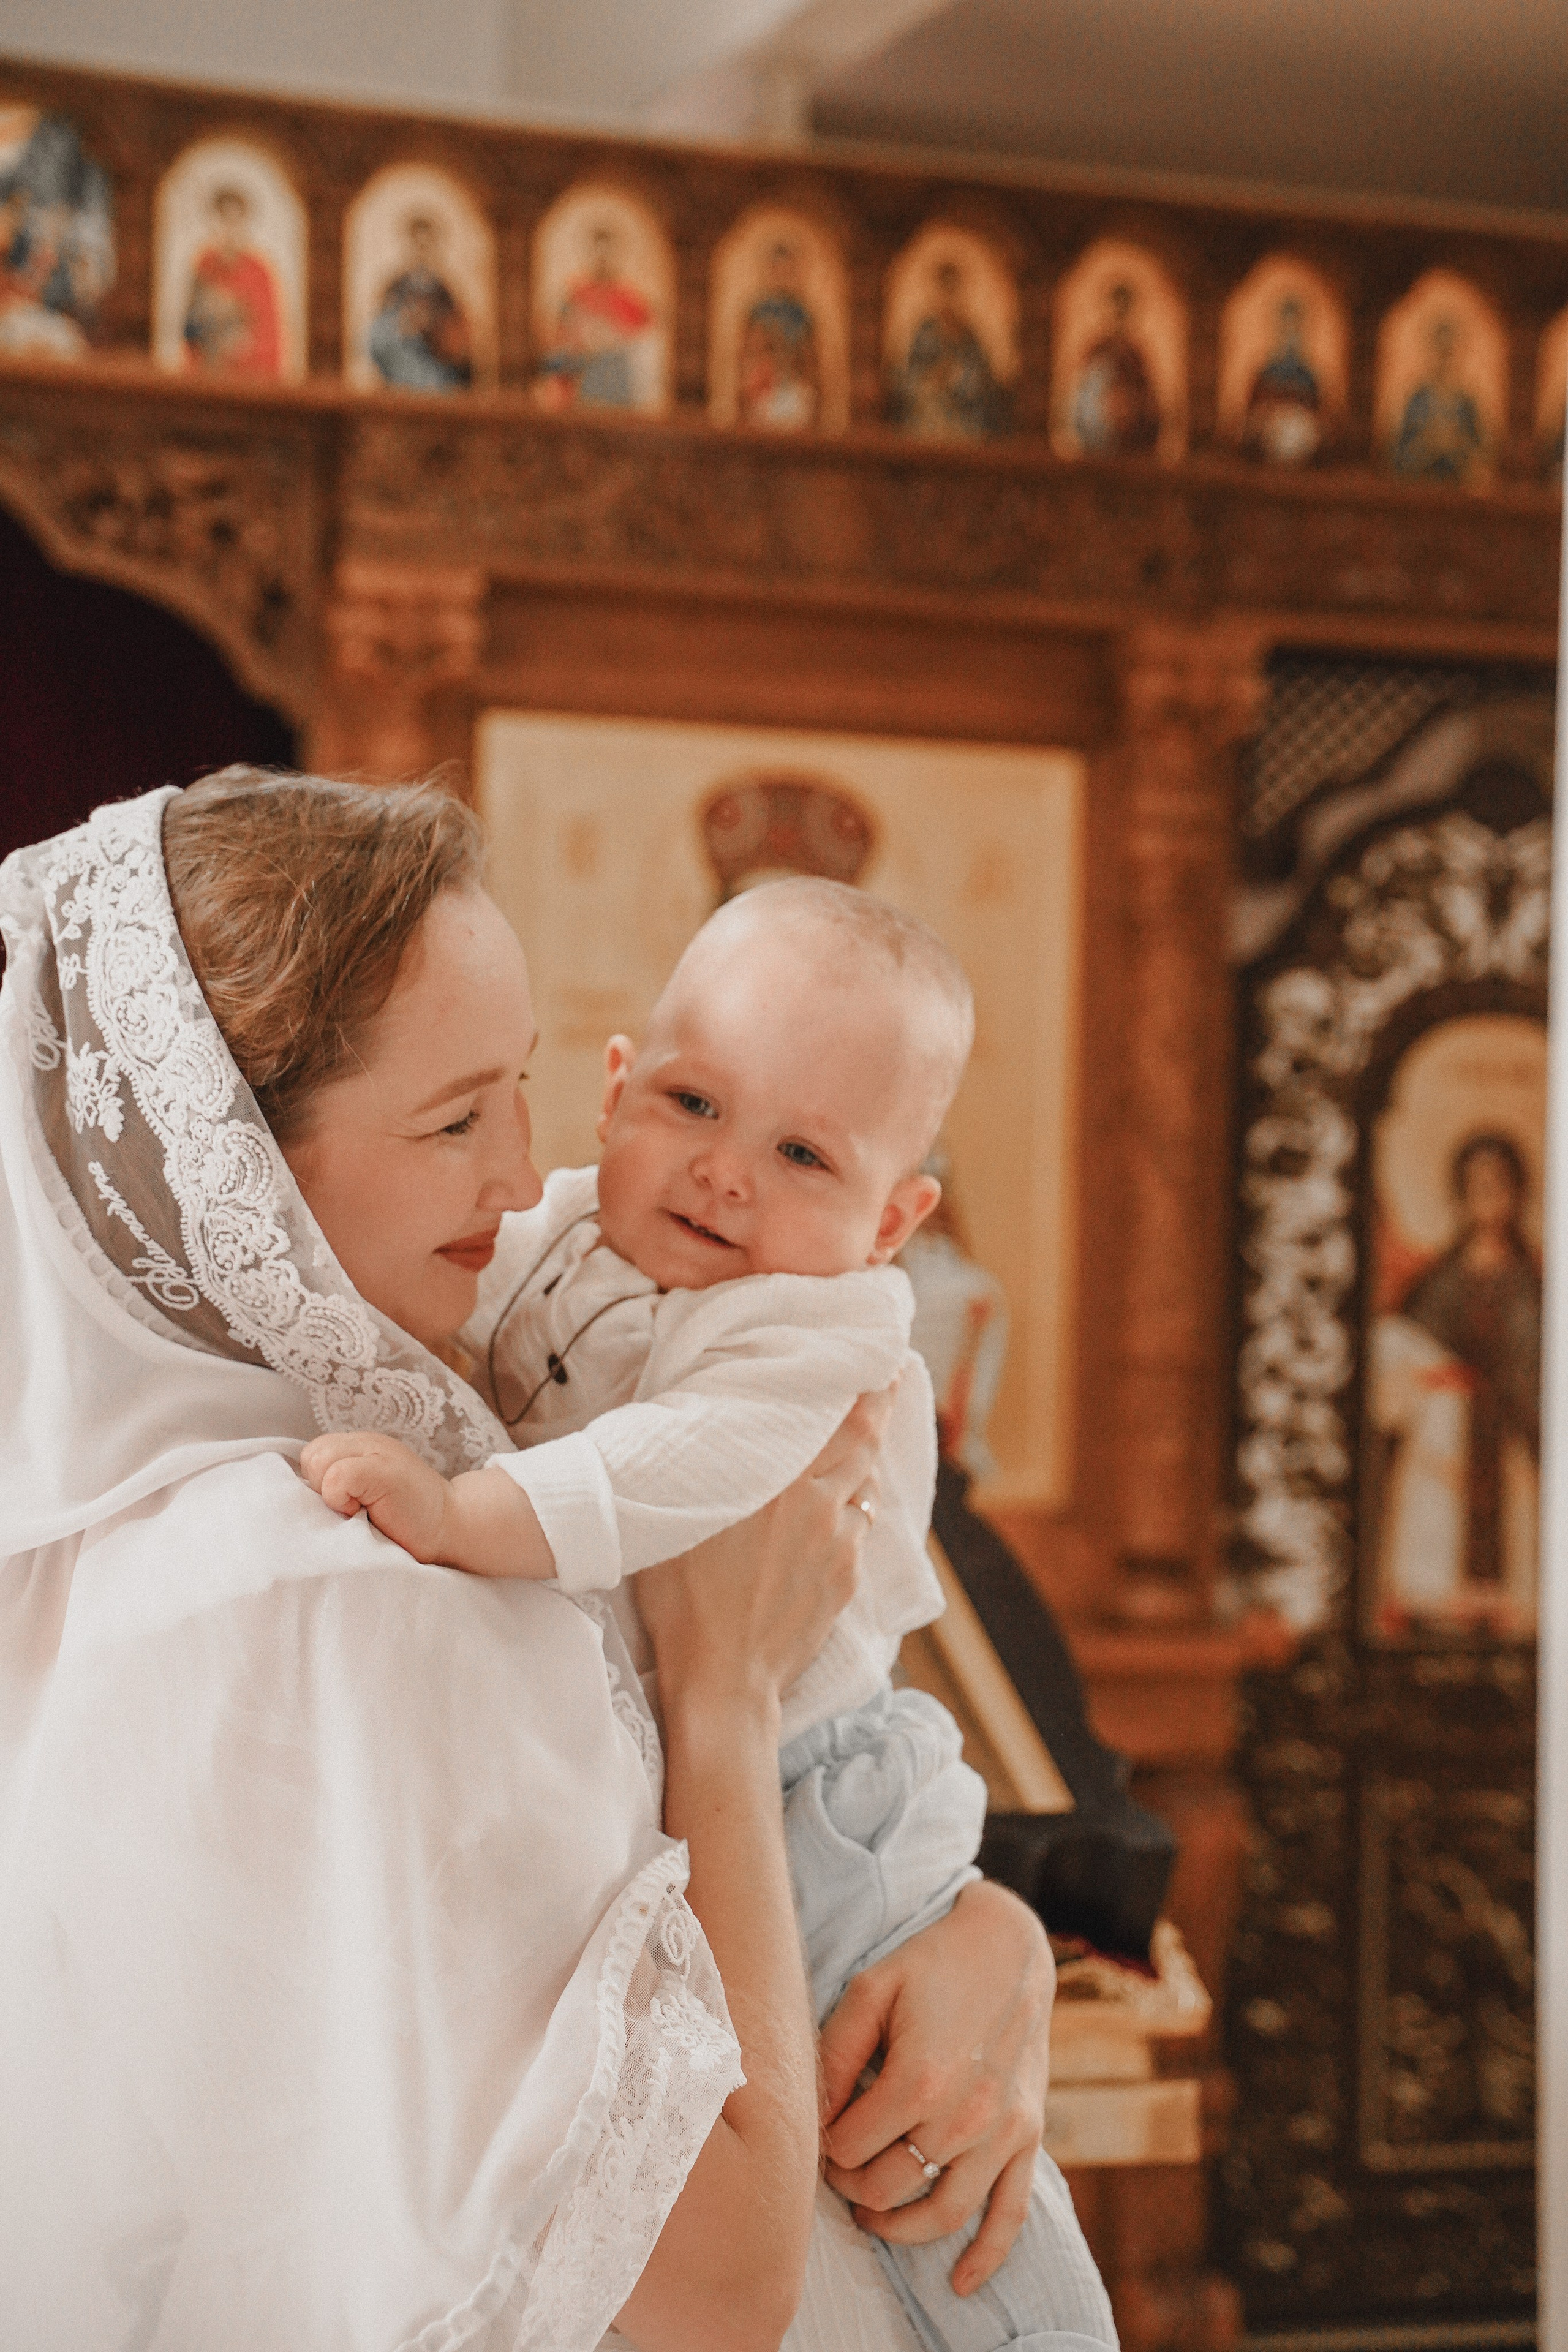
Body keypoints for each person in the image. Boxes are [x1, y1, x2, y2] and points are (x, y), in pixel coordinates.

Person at [0, 771, 1088, 2351]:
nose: (530, 1183)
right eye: (456, 1120)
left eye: (524, 1089)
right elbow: (717, 2288)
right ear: (237, 1170)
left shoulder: (322, 1491)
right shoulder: (315, 1586)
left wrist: (986, 1934)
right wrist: (722, 1690)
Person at [303, 875, 1117, 2352]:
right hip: (709, 1778)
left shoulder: (823, 1330)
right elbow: (479, 1347)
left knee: (917, 2171)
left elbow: (666, 1468)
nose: (723, 1173)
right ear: (616, 1087)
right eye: (689, 1102)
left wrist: (457, 1511)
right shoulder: (551, 1229)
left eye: (802, 1151)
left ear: (895, 1219)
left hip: (823, 1796)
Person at [1369, 1131, 1541, 1636]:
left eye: (1498, 1184)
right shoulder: (1437, 1282)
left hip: (1507, 1443)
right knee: (1435, 1577)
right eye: (1477, 1184)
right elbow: (1402, 1351)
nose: (1487, 1195)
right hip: (1443, 1449)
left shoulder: (1530, 1283)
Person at [536, 222, 656, 410]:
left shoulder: (627, 297)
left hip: (617, 374)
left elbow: (643, 335)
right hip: (586, 374)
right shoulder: (577, 294)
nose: (603, 258)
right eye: (598, 252)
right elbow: (561, 338)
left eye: (608, 252)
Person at [894, 261, 1005, 442]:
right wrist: (930, 380)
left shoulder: (969, 336)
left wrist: (954, 377)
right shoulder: (925, 333)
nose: (948, 298)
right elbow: (908, 377)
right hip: (927, 421)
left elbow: (980, 383)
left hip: (963, 423)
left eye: (952, 290)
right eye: (944, 290)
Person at [368, 212, 474, 392]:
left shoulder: (444, 291)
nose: (422, 252)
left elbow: (457, 337)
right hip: (402, 364)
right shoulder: (396, 287)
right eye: (418, 245)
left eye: (427, 245)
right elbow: (379, 333)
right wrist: (404, 326)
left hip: (436, 370)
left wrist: (434, 326)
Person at [183, 183, 281, 376]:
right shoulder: (205, 264)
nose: (229, 231)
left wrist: (241, 346)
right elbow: (190, 331)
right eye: (223, 221)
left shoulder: (258, 271)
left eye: (234, 222)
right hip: (207, 374)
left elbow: (270, 337)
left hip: (248, 377)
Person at [1390, 316, 1485, 483]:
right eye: (1440, 352)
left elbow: (1481, 463)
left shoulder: (1466, 405)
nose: (1444, 360)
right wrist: (1428, 444)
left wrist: (1456, 445)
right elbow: (1397, 459)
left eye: (1449, 353)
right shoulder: (1418, 401)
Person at [1069, 281, 1159, 456]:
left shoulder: (1135, 353)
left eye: (1123, 308)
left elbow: (1147, 401)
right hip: (1096, 441)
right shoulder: (1098, 350)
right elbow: (1085, 400)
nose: (1118, 314)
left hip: (1132, 446)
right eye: (1115, 307)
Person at [738, 242, 821, 431]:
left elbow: (810, 359)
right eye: (778, 268)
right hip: (764, 393)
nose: (782, 275)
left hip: (794, 392)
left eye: (788, 270)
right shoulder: (758, 311)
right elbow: (749, 354)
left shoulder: (802, 315)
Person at [1243, 295, 1322, 466]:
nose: (1290, 336)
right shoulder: (1266, 371)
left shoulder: (1308, 374)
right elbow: (1253, 407)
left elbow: (1317, 407)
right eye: (1285, 326)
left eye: (1295, 328)